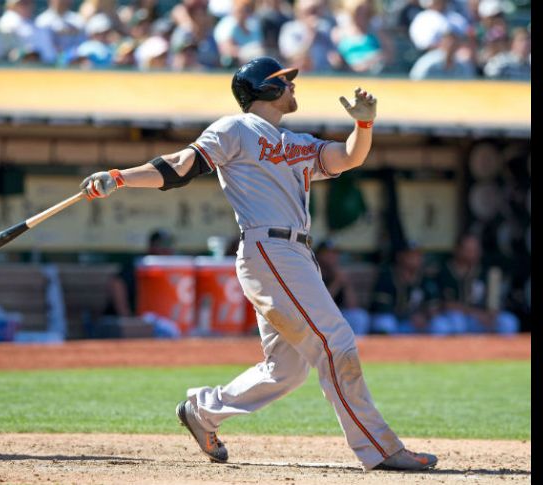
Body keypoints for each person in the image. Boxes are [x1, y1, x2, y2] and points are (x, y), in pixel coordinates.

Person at [77, 56, 437, 471]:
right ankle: (382, 448)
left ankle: (202, 412)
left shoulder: (298, 141)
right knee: (336, 342)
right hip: (270, 248)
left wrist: (365, 126)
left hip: (295, 253)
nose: (292, 86)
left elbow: (349, 158)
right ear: (265, 89)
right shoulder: (235, 128)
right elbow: (180, 167)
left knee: (286, 371)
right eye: (285, 81)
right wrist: (120, 177)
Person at [435, 233, 519, 334]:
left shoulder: (486, 272)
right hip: (459, 317)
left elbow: (494, 303)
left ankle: (500, 350)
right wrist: (476, 314)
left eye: (476, 250)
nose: (473, 253)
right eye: (468, 250)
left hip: (481, 318)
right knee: (456, 322)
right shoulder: (445, 272)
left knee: (509, 322)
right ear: (458, 250)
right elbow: (446, 305)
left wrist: (491, 314)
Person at [369, 241, 446, 334]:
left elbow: (433, 306)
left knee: (440, 324)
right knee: (386, 323)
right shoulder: (387, 277)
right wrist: (409, 318)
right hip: (395, 320)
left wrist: (425, 317)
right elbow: (382, 308)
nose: (416, 258)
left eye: (418, 255)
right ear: (400, 257)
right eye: (411, 255)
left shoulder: (425, 279)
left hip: (416, 323)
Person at [315, 240, 370, 335]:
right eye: (327, 253)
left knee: (359, 317)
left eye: (334, 253)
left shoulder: (337, 272)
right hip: (319, 316)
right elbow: (321, 305)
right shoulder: (314, 273)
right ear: (319, 255)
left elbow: (352, 306)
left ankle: (358, 347)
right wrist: (336, 283)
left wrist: (346, 284)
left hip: (338, 314)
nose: (332, 257)